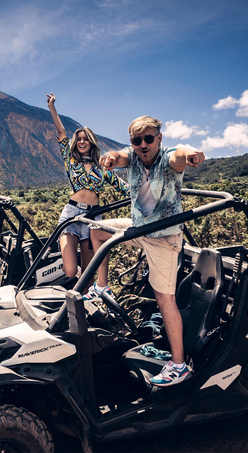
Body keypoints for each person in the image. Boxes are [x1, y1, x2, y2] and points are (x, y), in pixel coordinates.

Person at [91, 115, 205, 387]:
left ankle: (179, 365)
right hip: (140, 228)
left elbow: (181, 154)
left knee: (165, 299)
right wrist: (109, 157)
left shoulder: (167, 160)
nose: (143, 144)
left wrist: (190, 154)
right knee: (96, 230)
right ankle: (102, 286)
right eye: (137, 139)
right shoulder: (133, 156)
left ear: (159, 139)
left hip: (164, 237)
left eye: (149, 138)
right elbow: (119, 156)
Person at [46, 93, 129, 291]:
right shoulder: (70, 160)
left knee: (88, 275)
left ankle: (86, 308)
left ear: (91, 142)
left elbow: (124, 188)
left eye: (86, 139)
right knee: (69, 270)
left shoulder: (102, 169)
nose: (82, 142)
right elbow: (61, 132)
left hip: (93, 219)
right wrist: (52, 108)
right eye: (79, 139)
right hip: (71, 215)